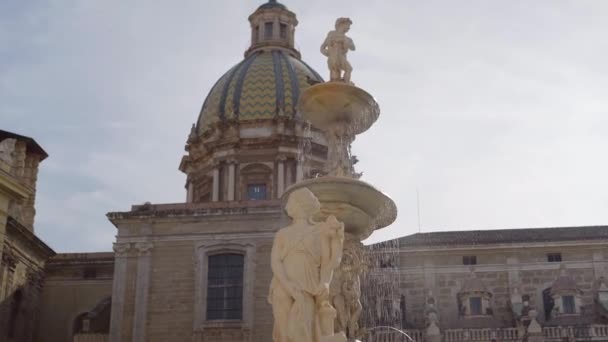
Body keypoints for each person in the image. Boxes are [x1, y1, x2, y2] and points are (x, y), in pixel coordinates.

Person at [268, 188, 345, 342]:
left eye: (291, 202)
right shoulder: (282, 234)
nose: (287, 206)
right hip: (283, 285)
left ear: (300, 205)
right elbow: (275, 261)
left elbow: (328, 262)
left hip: (307, 285)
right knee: (284, 334)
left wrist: (324, 282)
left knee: (304, 331)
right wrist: (288, 285)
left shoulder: (319, 231)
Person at [320, 18, 356, 83]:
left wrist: (346, 41)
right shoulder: (331, 34)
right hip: (333, 57)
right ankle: (343, 84)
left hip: (341, 57)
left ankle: (346, 84)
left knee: (348, 69)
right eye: (348, 25)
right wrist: (329, 53)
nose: (349, 28)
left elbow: (353, 48)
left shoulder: (347, 38)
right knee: (335, 76)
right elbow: (322, 48)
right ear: (341, 24)